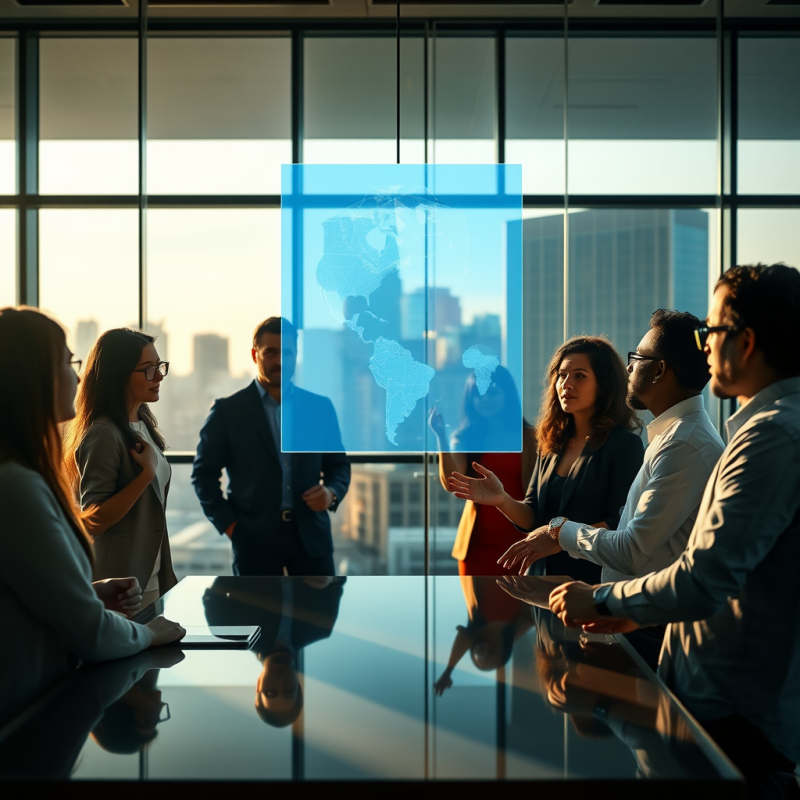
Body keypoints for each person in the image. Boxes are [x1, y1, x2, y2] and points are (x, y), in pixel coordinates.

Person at [549, 264, 800, 800]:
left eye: (713, 331)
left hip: (733, 708)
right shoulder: (760, 431)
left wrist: (601, 599)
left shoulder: (770, 438)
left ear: (746, 342)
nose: (705, 347)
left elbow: (702, 578)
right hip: (722, 697)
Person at [499, 311, 725, 667]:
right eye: (562, 375)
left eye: (637, 358)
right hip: (625, 614)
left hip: (650, 624)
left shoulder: (683, 444)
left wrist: (559, 531)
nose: (629, 368)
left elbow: (631, 549)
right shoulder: (669, 437)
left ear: (659, 370)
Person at [0, 307, 184, 729]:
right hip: (25, 718)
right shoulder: (19, 485)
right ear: (31, 377)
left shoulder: (140, 428)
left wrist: (90, 593)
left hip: (138, 583)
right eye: (67, 363)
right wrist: (148, 633)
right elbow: (93, 519)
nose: (78, 377)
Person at [448, 336, 644, 584]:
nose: (566, 384)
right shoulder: (551, 443)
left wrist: (559, 537)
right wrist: (502, 499)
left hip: (594, 582)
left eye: (579, 376)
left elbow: (620, 523)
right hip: (543, 580)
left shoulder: (625, 445)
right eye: (562, 376)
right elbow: (532, 515)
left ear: (604, 385)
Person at [192, 317, 351, 577]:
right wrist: (230, 526)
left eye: (287, 353)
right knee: (257, 606)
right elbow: (203, 475)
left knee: (319, 605)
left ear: (296, 355)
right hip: (253, 540)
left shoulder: (319, 408)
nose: (280, 361)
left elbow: (339, 465)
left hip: (311, 538)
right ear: (255, 355)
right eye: (271, 352)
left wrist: (331, 492)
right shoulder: (227, 411)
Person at [63, 328, 177, 609]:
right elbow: (94, 519)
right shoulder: (103, 433)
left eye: (159, 366)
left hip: (150, 577)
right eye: (148, 369)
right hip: (120, 585)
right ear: (118, 375)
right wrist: (146, 475)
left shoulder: (143, 425)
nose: (159, 376)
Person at [429, 366, 537, 576]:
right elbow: (452, 482)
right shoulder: (465, 437)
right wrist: (441, 436)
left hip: (524, 544)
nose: (485, 399)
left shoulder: (532, 438)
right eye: (478, 393)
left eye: (492, 391)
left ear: (507, 394)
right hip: (478, 548)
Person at [202, 575, 345, 727]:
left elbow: (218, 586)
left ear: (259, 686)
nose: (280, 682)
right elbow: (338, 580)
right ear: (298, 685)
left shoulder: (228, 630)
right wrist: (330, 579)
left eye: (271, 692)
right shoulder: (322, 628)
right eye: (288, 690)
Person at [433, 576, 535, 696]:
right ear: (504, 652)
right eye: (492, 652)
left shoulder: (477, 618)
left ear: (472, 646)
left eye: (480, 652)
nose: (486, 649)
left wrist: (448, 671)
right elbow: (531, 619)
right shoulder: (518, 619)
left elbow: (465, 636)